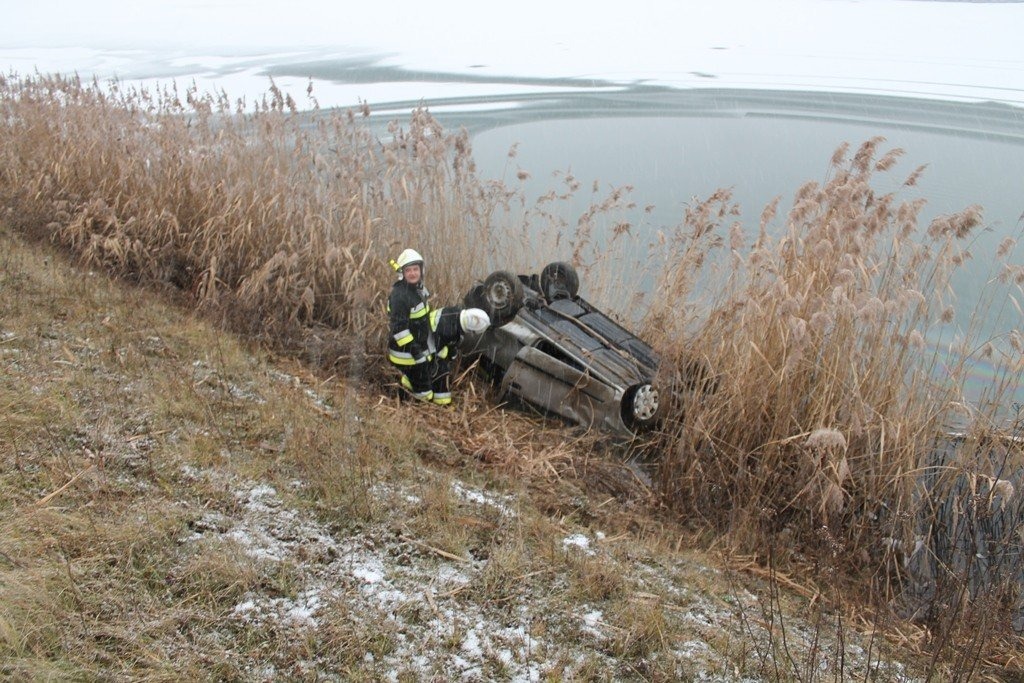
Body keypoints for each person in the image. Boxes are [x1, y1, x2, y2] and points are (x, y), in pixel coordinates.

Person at [386, 248, 489, 405]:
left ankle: (436, 402)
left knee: (440, 371)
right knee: (425, 392)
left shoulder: (417, 290)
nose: (413, 273)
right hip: (405, 354)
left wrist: (438, 348)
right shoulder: (399, 296)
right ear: (402, 273)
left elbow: (424, 321)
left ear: (421, 270)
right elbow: (399, 330)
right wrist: (417, 353)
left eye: (415, 269)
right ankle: (413, 406)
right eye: (408, 270)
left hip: (419, 348)